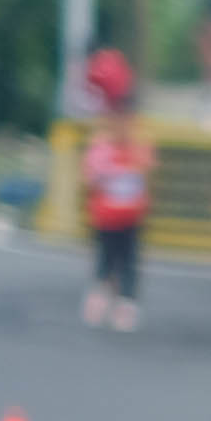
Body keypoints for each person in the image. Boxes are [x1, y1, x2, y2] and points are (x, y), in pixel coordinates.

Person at [81, 106, 154, 331]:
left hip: (131, 218)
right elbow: (90, 180)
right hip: (106, 217)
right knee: (105, 258)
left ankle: (126, 302)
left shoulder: (139, 149)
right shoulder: (101, 150)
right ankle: (101, 296)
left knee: (129, 261)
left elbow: (146, 177)